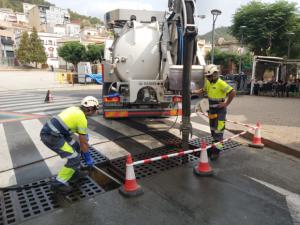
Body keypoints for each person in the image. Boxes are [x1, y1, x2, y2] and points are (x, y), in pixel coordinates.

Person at [40, 96, 99, 193]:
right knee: (74, 158)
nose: (96, 112)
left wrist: (83, 135)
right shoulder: (82, 118)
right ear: (90, 108)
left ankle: (74, 174)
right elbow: (84, 142)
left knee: (76, 146)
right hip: (52, 137)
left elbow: (71, 124)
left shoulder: (74, 109)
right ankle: (58, 184)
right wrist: (88, 158)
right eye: (95, 109)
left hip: (56, 133)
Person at [192, 64, 236, 160]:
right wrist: (195, 91)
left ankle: (216, 152)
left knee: (218, 132)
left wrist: (226, 104)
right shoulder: (209, 82)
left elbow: (232, 92)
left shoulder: (221, 83)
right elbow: (204, 90)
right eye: (207, 76)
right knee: (213, 131)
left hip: (220, 112)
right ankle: (214, 147)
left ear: (215, 74)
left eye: (209, 76)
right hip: (211, 111)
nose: (207, 78)